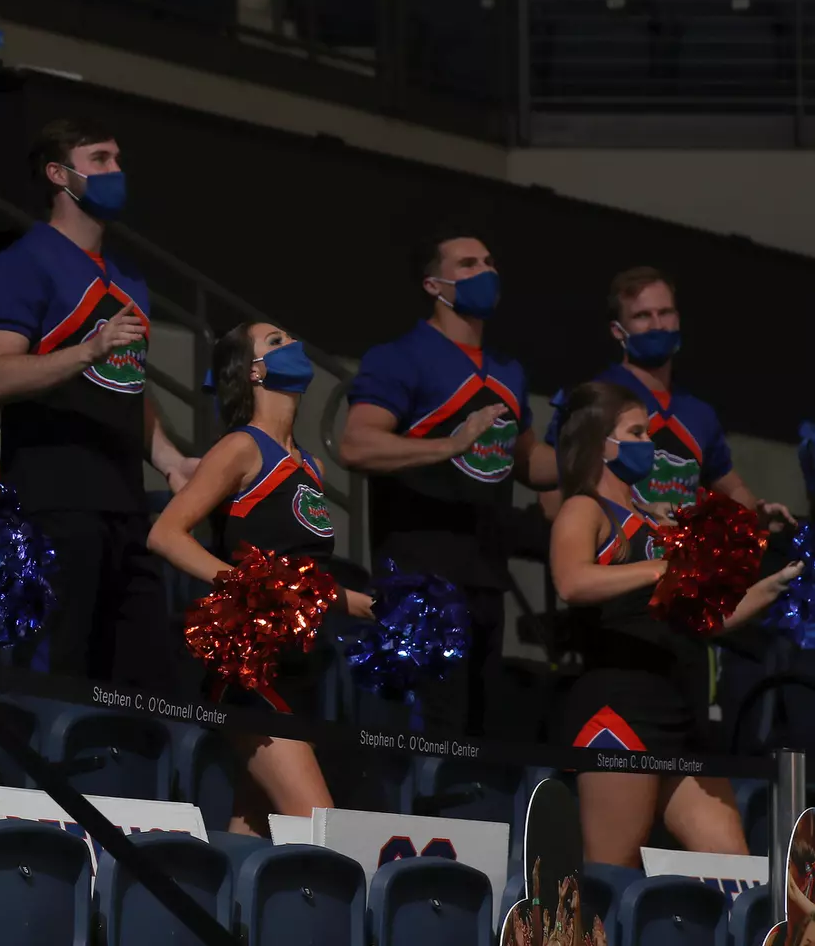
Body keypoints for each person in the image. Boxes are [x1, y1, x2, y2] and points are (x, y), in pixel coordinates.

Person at [0, 119, 197, 690]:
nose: (115, 172)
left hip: (125, 505)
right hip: (55, 499)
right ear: (58, 174)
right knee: (58, 675)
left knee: (147, 685)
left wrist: (171, 460)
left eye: (118, 160)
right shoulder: (22, 262)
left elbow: (127, 385)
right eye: (99, 159)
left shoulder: (127, 278)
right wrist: (89, 348)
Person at [551, 381, 799, 867]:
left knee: (734, 872)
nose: (650, 443)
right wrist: (658, 567)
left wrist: (778, 585)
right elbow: (571, 582)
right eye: (637, 432)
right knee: (609, 876)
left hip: (679, 712)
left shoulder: (660, 523)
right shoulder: (585, 509)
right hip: (619, 713)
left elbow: (708, 619)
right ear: (603, 442)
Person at [148, 321, 374, 835]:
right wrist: (243, 583)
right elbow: (166, 534)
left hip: (302, 662)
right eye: (276, 341)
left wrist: (360, 603)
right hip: (250, 666)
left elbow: (300, 573)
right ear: (253, 371)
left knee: (254, 825)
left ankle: (225, 915)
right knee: (322, 827)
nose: (294, 343)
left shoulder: (311, 466)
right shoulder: (241, 448)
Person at [338, 227, 557, 736]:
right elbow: (357, 444)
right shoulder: (399, 356)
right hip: (420, 576)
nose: (486, 272)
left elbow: (528, 462)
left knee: (477, 736)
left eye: (489, 261)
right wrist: (449, 446)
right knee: (428, 733)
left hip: (486, 572)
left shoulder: (509, 370)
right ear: (434, 285)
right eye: (468, 265)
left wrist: (594, 456)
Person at [542, 267, 792, 526]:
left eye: (665, 313)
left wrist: (757, 514)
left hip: (680, 563)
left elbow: (734, 489)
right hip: (610, 561)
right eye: (642, 316)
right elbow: (552, 502)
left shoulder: (699, 414)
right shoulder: (593, 398)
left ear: (678, 319)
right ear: (617, 331)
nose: (657, 325)